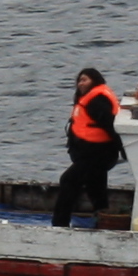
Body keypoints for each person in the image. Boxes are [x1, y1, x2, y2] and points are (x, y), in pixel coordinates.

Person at [52, 68, 124, 225]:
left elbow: (111, 127)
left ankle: (59, 225)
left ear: (95, 80)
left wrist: (123, 151)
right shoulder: (87, 98)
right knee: (95, 184)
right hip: (89, 154)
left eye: (85, 80)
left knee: (68, 181)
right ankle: (103, 218)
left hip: (99, 154)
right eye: (79, 80)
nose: (80, 83)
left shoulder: (97, 100)